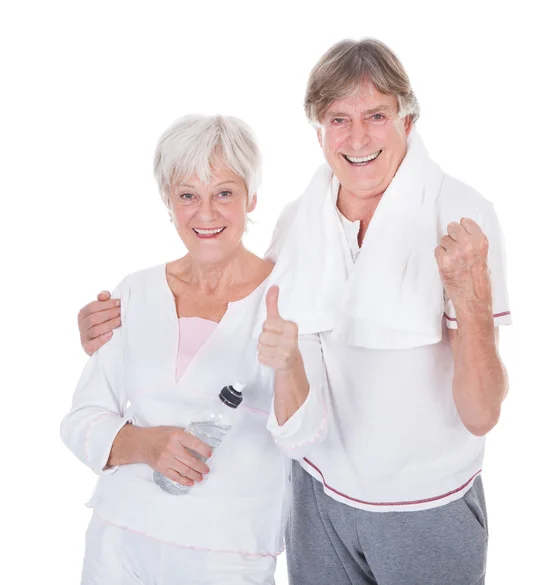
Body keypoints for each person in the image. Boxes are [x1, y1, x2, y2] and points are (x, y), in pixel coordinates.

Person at [78, 39, 511, 585]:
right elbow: (234, 308)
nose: (357, 138)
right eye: (338, 119)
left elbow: (482, 415)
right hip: (317, 503)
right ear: (318, 130)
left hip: (422, 507)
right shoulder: (298, 221)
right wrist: (111, 326)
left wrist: (470, 299)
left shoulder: (460, 216)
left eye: (376, 115)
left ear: (409, 119)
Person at [62, 114, 327, 585]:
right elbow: (82, 418)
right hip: (119, 540)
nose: (206, 214)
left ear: (252, 197)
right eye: (188, 195)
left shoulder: (285, 303)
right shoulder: (135, 294)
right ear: (169, 202)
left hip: (228, 551)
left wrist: (288, 364)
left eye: (224, 193)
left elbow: (305, 440)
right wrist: (147, 444)